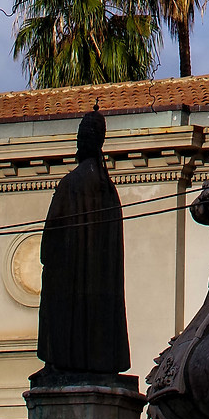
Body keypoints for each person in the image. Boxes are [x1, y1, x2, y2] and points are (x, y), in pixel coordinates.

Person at [38, 105, 130, 375]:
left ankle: (59, 361)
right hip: (99, 288)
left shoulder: (70, 184)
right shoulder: (108, 190)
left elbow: (50, 242)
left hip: (70, 285)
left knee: (57, 303)